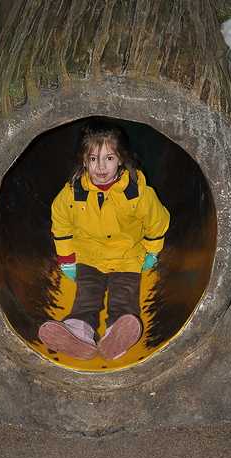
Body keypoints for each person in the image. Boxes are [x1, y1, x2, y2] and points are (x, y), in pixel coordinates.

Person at [39, 118, 170, 361]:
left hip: (127, 257)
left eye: (108, 158)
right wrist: (67, 260)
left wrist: (151, 251)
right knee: (87, 295)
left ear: (121, 158)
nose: (100, 167)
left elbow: (157, 220)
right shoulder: (72, 193)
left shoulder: (136, 192)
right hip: (89, 256)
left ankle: (116, 335)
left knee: (123, 296)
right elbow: (61, 224)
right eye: (93, 159)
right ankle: (78, 331)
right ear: (83, 160)